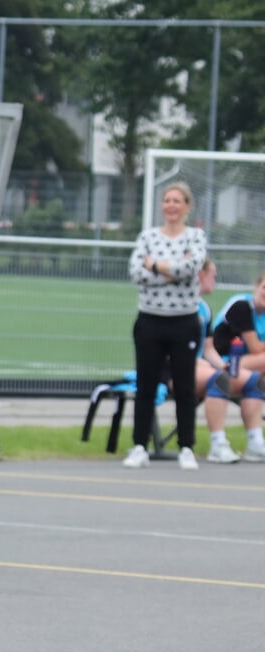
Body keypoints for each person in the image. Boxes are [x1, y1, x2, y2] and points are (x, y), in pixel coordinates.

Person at [125, 181, 208, 470]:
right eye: (167, 200)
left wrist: (156, 266)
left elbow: (192, 268)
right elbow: (136, 272)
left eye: (177, 201)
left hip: (184, 320)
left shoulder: (195, 237)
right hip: (150, 320)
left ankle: (186, 446)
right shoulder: (147, 237)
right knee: (145, 384)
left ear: (186, 206)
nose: (171, 205)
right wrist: (171, 269)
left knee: (184, 386)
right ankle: (139, 445)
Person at [200, 269, 265, 463]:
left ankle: (255, 442)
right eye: (264, 288)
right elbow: (254, 348)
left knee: (258, 381)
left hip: (248, 368)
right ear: (256, 287)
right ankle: (217, 443)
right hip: (223, 363)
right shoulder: (242, 306)